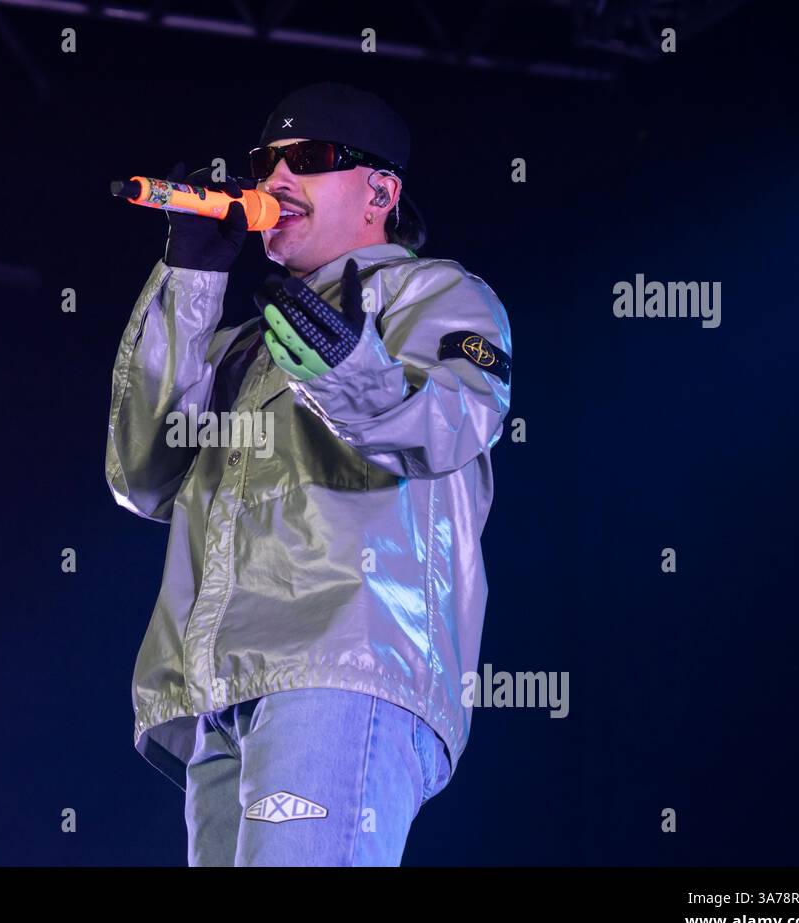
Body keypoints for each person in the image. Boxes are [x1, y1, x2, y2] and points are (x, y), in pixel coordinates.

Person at [104, 81, 513, 866]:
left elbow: (452, 420)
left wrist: (349, 368)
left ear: (381, 191)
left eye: (311, 159)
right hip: (220, 693)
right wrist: (189, 279)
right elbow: (142, 472)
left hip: (341, 664)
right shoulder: (246, 345)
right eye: (265, 163)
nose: (274, 182)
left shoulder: (437, 295)